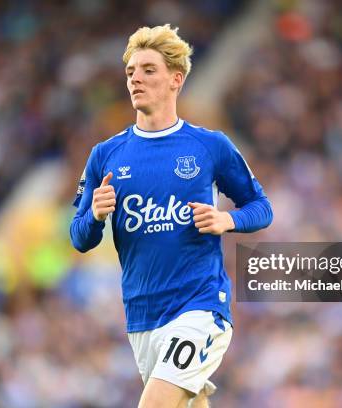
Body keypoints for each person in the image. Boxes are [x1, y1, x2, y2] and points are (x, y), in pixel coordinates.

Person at [70, 24, 273, 408]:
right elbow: (79, 237)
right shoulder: (105, 155)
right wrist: (95, 215)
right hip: (142, 315)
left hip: (199, 305)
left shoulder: (208, 146)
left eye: (148, 70)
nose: (136, 79)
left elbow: (261, 207)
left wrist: (227, 221)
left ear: (175, 79)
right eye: (130, 72)